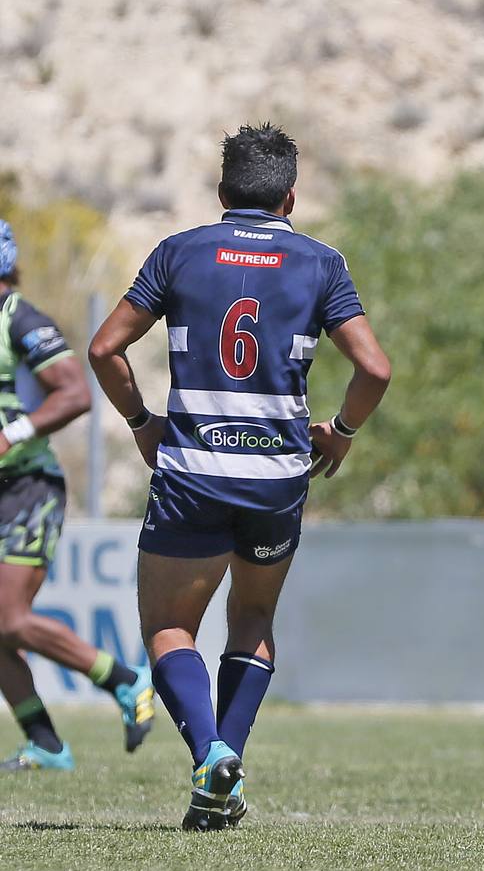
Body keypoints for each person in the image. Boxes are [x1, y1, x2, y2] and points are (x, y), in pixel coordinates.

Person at [88, 123, 392, 830]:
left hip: (194, 468)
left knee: (168, 627)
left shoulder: (179, 252)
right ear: (291, 197)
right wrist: (340, 435)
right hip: (278, 474)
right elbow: (374, 368)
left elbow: (105, 348)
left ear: (222, 192)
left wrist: (141, 423)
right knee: (252, 620)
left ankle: (210, 754)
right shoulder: (321, 262)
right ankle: (220, 781)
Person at [0, 219, 155, 771]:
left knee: (10, 621)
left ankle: (126, 679)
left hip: (26, 487)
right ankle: (45, 743)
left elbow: (75, 392)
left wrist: (12, 434)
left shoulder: (21, 319)